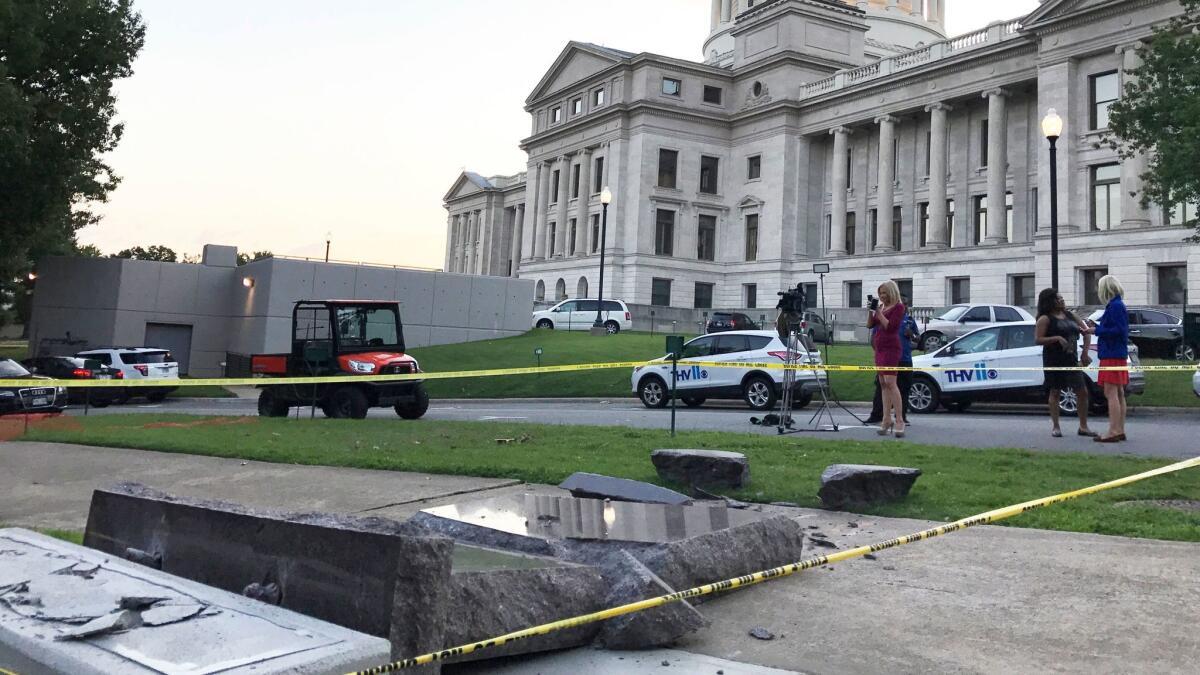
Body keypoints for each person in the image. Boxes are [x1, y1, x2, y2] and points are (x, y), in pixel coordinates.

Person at [1034, 288, 1096, 438]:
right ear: (1050, 301)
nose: (1062, 300)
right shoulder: (1045, 319)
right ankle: (1056, 426)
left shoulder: (1070, 315)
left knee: (1082, 391)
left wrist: (1085, 352)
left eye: (1062, 298)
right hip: (1054, 360)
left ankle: (1083, 426)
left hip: (1072, 359)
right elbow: (1038, 339)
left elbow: (1085, 332)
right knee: (1055, 391)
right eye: (1058, 298)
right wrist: (1056, 338)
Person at [867, 301, 918, 425]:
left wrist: (912, 335)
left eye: (906, 304)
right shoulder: (884, 316)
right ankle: (877, 415)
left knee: (904, 388)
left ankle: (901, 417)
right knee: (882, 386)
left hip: (904, 358)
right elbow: (874, 334)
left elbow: (918, 338)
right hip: (886, 357)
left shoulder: (909, 320)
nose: (904, 306)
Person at [866, 280, 906, 437]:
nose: (882, 296)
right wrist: (871, 311)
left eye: (884, 293)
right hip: (879, 348)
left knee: (891, 382)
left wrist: (879, 313)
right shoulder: (880, 307)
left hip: (891, 348)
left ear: (891, 292)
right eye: (880, 293)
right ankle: (886, 418)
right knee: (882, 383)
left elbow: (890, 327)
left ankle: (900, 420)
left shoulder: (898, 307)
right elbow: (870, 325)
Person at [1093, 275, 1129, 443]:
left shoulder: (1114, 306)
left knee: (1111, 392)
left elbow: (1118, 330)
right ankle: (1119, 429)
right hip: (1117, 353)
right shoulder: (1118, 305)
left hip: (1111, 354)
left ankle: (1113, 430)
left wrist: (1097, 330)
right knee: (1119, 392)